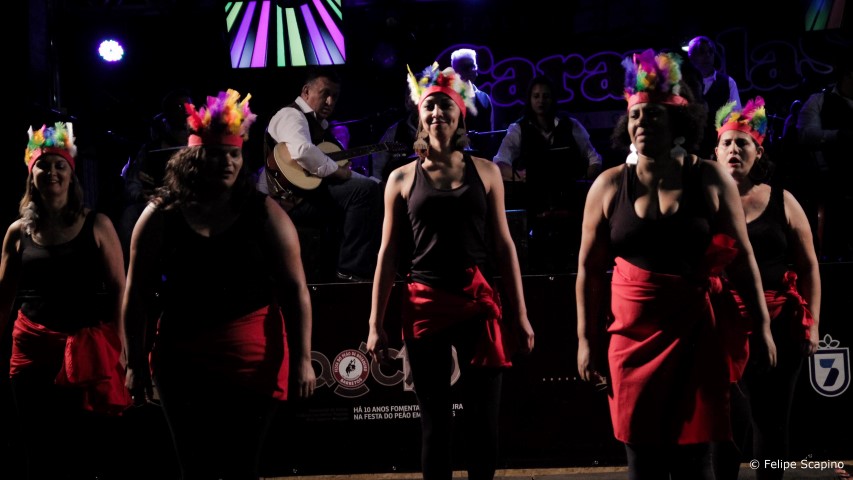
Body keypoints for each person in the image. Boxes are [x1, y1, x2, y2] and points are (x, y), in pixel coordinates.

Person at [575, 49, 776, 479]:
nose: (641, 123)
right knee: (642, 464)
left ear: (678, 120)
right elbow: (588, 273)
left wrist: (761, 326)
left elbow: (742, 260)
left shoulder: (710, 178)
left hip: (694, 338)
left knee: (695, 463)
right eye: (635, 115)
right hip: (630, 343)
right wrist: (586, 340)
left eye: (653, 115)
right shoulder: (608, 185)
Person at [121, 89, 316, 479]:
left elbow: (295, 291)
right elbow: (135, 294)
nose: (227, 162)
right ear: (194, 157)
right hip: (181, 358)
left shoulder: (264, 213)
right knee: (195, 468)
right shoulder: (160, 214)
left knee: (242, 467)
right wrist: (134, 362)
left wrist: (303, 359)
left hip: (251, 359)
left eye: (234, 154)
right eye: (216, 154)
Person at [366, 63, 535, 480]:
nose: (437, 113)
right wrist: (374, 323)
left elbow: (504, 246)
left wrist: (520, 314)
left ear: (460, 114)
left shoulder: (487, 171)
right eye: (430, 106)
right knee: (435, 425)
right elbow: (388, 254)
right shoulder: (400, 178)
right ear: (419, 115)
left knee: (483, 424)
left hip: (477, 304)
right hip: (425, 305)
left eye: (446, 105)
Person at [0, 122, 131, 479]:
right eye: (43, 165)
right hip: (32, 352)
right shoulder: (17, 232)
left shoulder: (98, 224)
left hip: (85, 351)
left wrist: (123, 348)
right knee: (38, 451)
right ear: (32, 175)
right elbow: (4, 298)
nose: (52, 172)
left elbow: (120, 291)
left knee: (84, 451)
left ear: (72, 174)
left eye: (60, 165)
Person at [712, 97, 820, 480]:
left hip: (779, 323)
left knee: (772, 423)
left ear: (758, 151)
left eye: (742, 143)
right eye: (727, 143)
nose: (734, 150)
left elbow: (809, 266)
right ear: (715, 151)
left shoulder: (782, 200)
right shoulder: (705, 203)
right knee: (727, 424)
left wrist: (813, 325)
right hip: (723, 327)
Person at [259, 66, 382, 282]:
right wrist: (339, 172)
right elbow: (302, 151)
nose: (330, 102)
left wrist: (353, 174)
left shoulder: (318, 126)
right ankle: (351, 270)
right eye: (325, 93)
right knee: (365, 191)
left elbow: (323, 162)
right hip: (288, 201)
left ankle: (361, 264)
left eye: (335, 96)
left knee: (371, 187)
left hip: (305, 196)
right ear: (306, 91)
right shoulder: (290, 115)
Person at [492, 75, 603, 271]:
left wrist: (581, 180)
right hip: (533, 205)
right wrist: (522, 176)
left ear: (553, 99)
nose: (541, 101)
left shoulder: (571, 125)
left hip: (569, 204)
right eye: (536, 96)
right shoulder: (518, 129)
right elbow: (499, 163)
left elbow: (595, 159)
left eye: (546, 96)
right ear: (530, 99)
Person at [119, 88, 193, 264]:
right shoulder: (150, 149)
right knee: (130, 214)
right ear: (167, 114)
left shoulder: (201, 143)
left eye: (189, 106)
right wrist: (141, 195)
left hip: (193, 203)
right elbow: (132, 183)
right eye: (180, 107)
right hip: (159, 204)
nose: (186, 111)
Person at [795, 54, 853, 261]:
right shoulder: (819, 101)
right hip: (832, 180)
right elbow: (805, 135)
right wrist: (839, 136)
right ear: (847, 74)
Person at [687, 35, 743, 159]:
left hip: (716, 149)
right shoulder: (683, 83)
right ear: (691, 56)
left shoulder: (727, 82)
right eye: (702, 52)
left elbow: (735, 116)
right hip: (688, 149)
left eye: (710, 52)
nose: (707, 55)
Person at [450, 48, 498, 158]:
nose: (472, 70)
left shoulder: (484, 98)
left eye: (473, 65)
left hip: (480, 158)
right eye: (466, 67)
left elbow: (490, 134)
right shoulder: (446, 98)